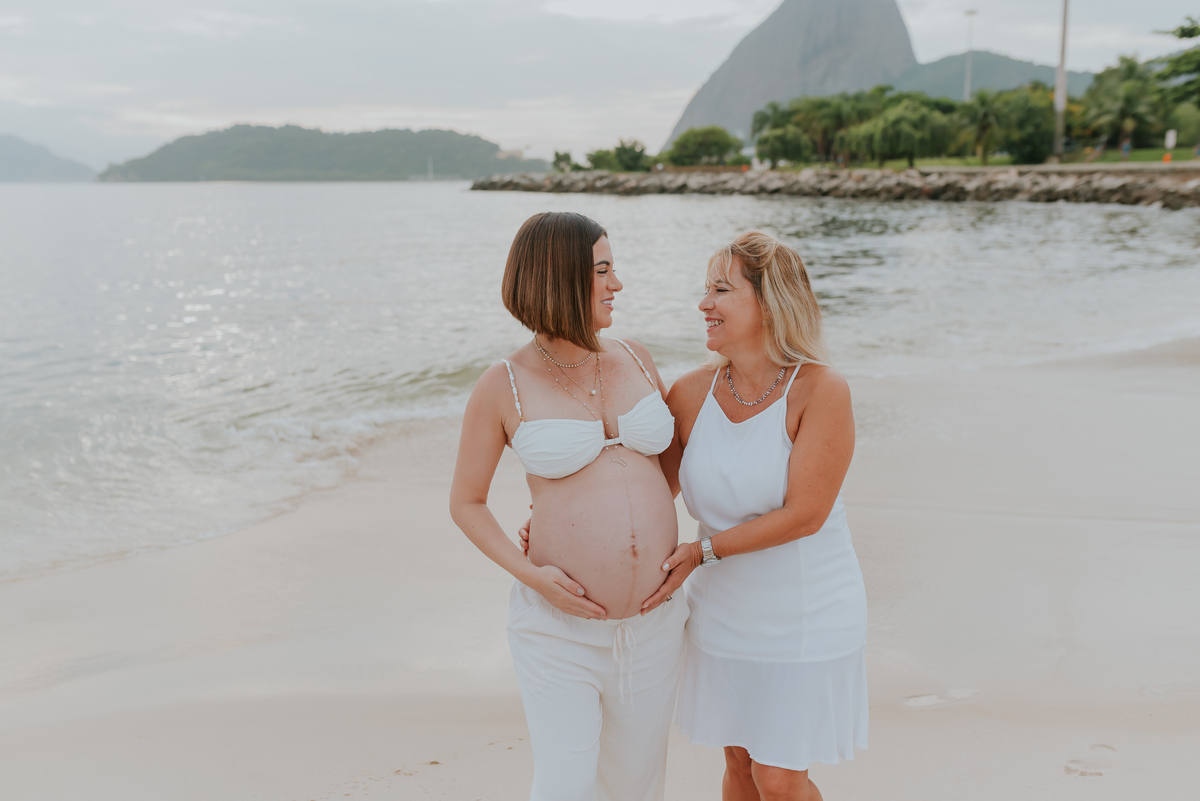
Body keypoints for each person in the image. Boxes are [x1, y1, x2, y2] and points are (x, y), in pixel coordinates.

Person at [449, 211, 687, 801]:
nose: (617, 284)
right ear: (559, 278)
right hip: (559, 629)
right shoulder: (501, 384)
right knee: (566, 785)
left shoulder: (636, 356)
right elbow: (467, 502)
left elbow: (664, 471)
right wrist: (532, 572)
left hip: (655, 623)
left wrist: (629, 526)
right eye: (603, 270)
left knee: (638, 785)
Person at [646, 231, 869, 801]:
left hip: (804, 609)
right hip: (723, 610)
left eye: (721, 290)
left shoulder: (820, 390)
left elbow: (805, 515)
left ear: (769, 302)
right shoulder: (689, 395)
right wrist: (553, 515)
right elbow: (649, 491)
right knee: (741, 765)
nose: (704, 304)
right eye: (704, 290)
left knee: (779, 777)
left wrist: (703, 552)